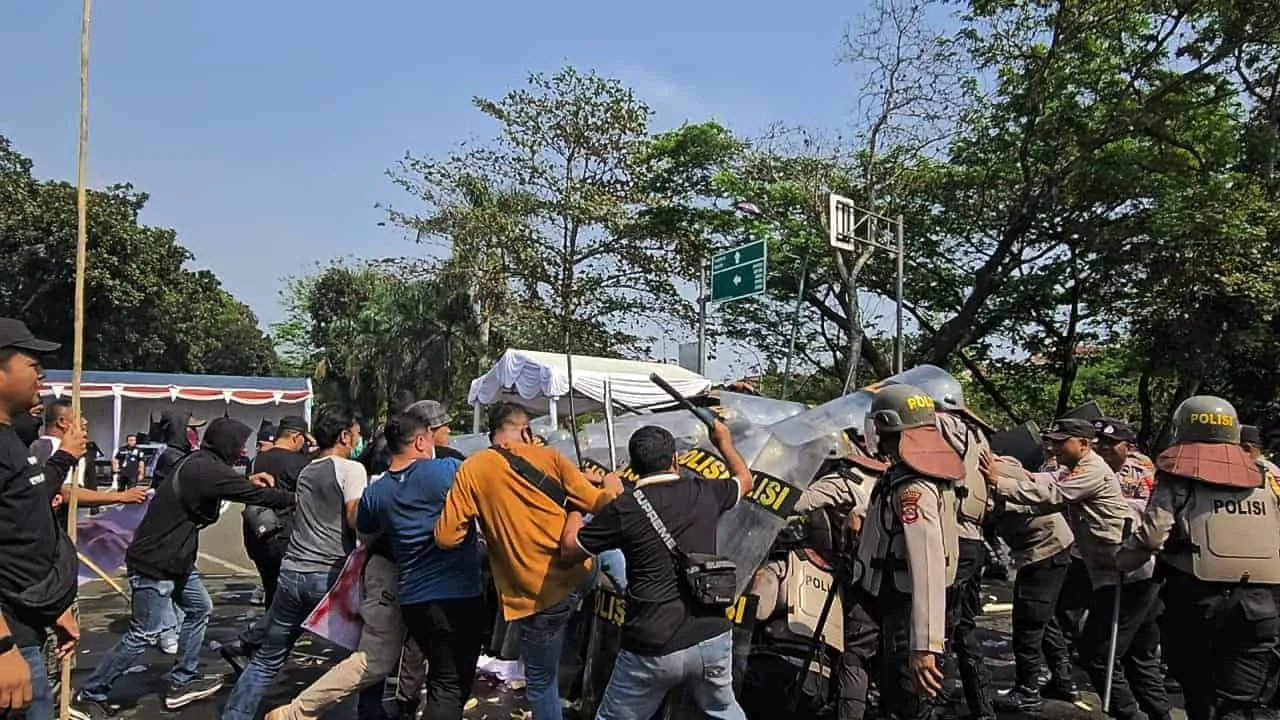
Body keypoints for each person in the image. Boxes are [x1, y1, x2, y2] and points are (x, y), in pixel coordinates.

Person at [70, 417, 296, 717]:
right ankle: (92, 691)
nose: (242, 450)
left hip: (176, 559)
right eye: (239, 444)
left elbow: (232, 485)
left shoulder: (201, 463)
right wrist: (300, 497)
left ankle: (182, 682)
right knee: (144, 632)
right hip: (156, 561)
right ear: (226, 443)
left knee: (199, 608)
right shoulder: (207, 468)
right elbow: (254, 495)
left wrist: (247, 481)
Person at [435, 402, 623, 720]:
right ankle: (638, 596)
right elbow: (597, 504)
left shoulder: (472, 469)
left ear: (492, 432)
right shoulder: (549, 457)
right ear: (525, 430)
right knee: (604, 551)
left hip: (534, 596)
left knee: (539, 682)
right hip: (579, 574)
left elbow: (446, 537)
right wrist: (610, 488)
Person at [561, 420, 752, 720]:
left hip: (651, 645)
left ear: (633, 468)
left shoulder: (624, 509)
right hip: (711, 637)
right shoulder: (706, 492)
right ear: (675, 460)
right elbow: (744, 479)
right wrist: (723, 443)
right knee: (725, 711)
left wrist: (576, 505)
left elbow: (570, 550)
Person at [984, 418, 1171, 720]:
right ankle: (1158, 714)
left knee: (1098, 653)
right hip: (1111, 570)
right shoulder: (1072, 468)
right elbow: (1046, 482)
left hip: (1127, 573)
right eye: (1052, 441)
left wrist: (999, 482)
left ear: (1083, 444)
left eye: (1062, 441)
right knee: (1138, 657)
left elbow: (1053, 497)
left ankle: (1130, 714)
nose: (1054, 447)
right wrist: (1015, 476)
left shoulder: (1092, 470)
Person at [1117, 397, 1280, 720]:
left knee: (1200, 694)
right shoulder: (1266, 476)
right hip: (1262, 604)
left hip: (1196, 603)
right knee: (1237, 701)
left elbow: (1151, 536)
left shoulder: (1177, 476)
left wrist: (1121, 561)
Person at [222, 405, 368, 720]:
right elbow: (356, 516)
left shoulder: (308, 470)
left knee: (266, 659)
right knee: (363, 659)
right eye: (356, 434)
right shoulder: (351, 469)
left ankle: (235, 715)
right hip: (328, 575)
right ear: (344, 435)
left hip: (292, 571)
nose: (358, 439)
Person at [854, 384, 963, 720]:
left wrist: (924, 645)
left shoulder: (913, 487)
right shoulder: (908, 476)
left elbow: (927, 566)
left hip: (907, 610)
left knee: (908, 700)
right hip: (896, 604)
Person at [0, 319, 85, 720]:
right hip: (10, 640)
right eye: (32, 363)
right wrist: (2, 647)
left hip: (28, 626)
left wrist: (50, 607)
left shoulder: (10, 440)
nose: (42, 375)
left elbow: (25, 512)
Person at [221, 415, 312, 673]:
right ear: (297, 438)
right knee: (293, 600)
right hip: (284, 535)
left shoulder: (260, 458)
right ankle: (251, 646)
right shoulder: (300, 462)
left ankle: (260, 651)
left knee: (273, 593)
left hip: (258, 534)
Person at [988, 459, 1079, 712]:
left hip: (1043, 547)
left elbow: (1001, 504)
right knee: (1045, 618)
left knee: (1029, 619)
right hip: (1048, 546)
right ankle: (1064, 680)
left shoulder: (989, 470)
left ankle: (1028, 689)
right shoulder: (996, 462)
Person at [934, 407, 996, 720]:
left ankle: (938, 700)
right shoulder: (977, 435)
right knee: (962, 628)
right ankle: (981, 706)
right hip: (972, 538)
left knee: (941, 624)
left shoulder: (949, 425)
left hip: (957, 538)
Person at [1095, 419, 1156, 510]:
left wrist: (1113, 503)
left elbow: (1149, 505)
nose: (1104, 447)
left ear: (1128, 448)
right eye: (1099, 442)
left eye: (1111, 443)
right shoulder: (1086, 470)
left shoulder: (1140, 474)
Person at [152, 409, 206, 485]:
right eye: (192, 428)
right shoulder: (171, 457)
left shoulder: (184, 454)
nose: (196, 433)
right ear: (179, 430)